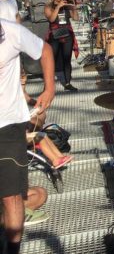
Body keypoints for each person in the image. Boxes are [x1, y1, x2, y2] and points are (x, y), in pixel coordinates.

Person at [0, 19, 56, 254]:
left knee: (12, 195)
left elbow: (44, 49)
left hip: (8, 122)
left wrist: (49, 87)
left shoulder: (10, 31)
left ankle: (13, 250)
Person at [44, 0, 78, 91]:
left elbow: (76, 18)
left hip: (67, 34)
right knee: (51, 59)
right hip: (54, 35)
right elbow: (51, 19)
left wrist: (73, 7)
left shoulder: (66, 4)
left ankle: (67, 83)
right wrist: (58, 7)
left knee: (66, 59)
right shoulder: (48, 6)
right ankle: (48, 84)